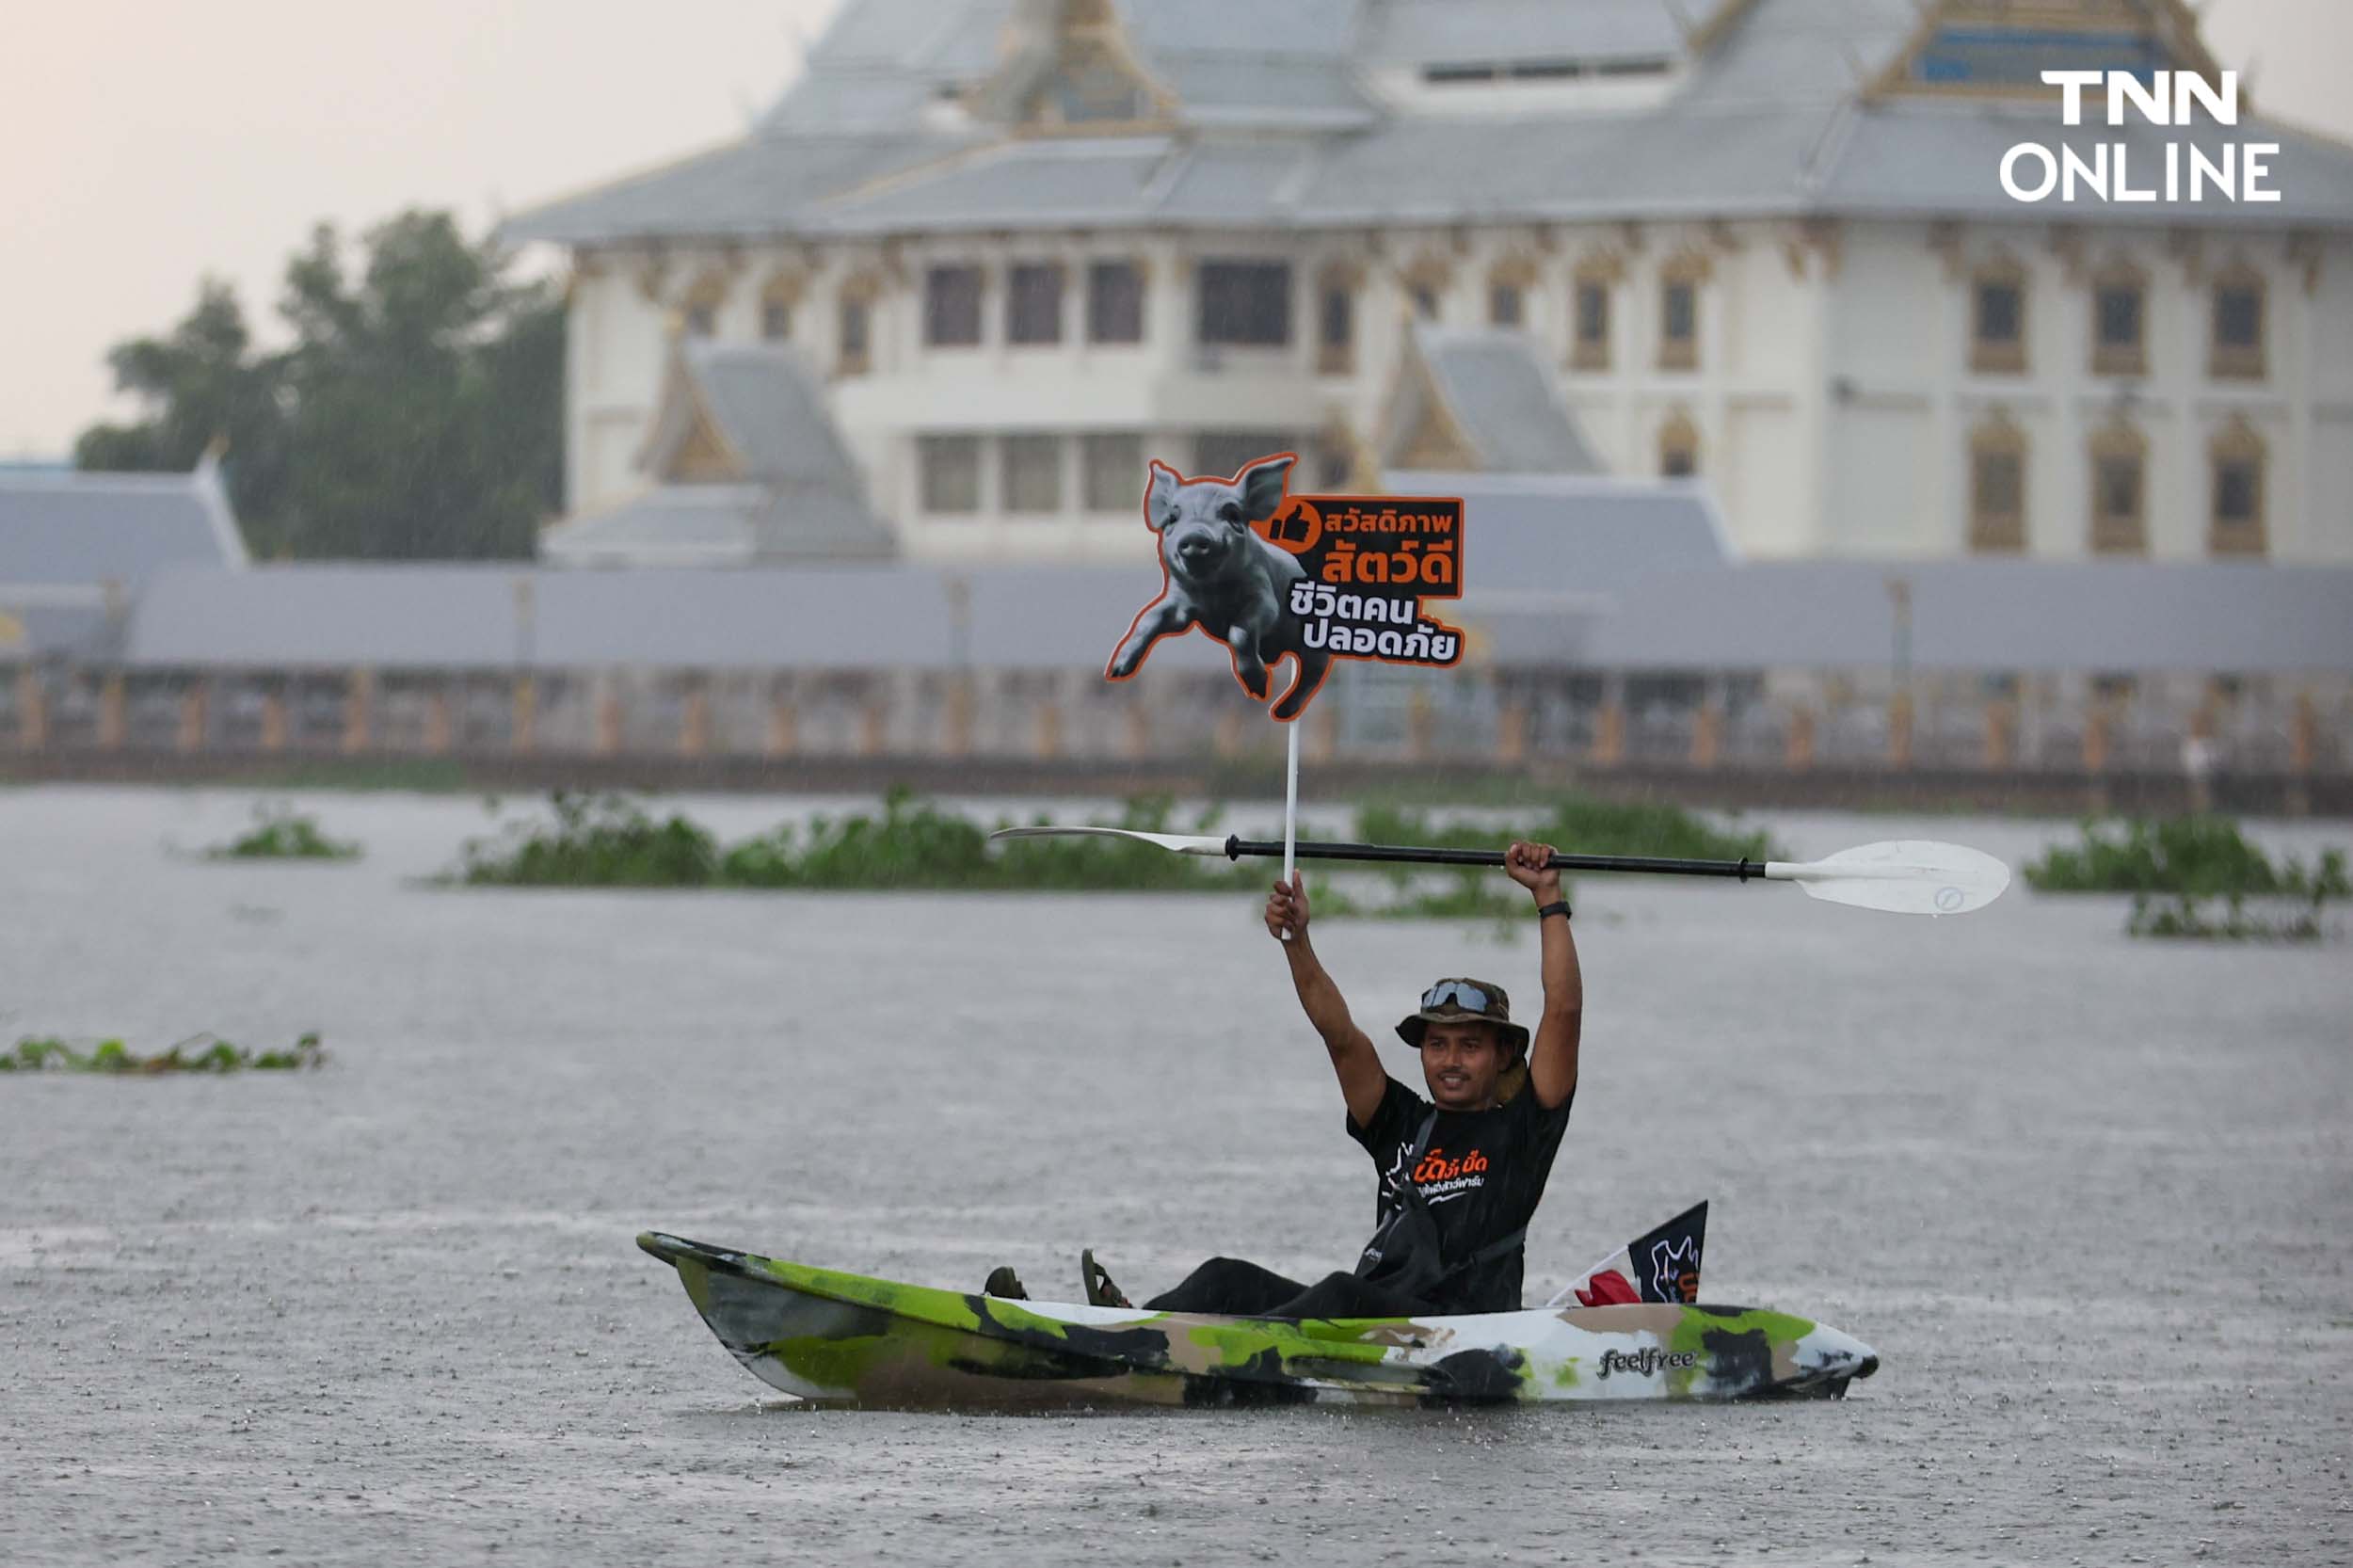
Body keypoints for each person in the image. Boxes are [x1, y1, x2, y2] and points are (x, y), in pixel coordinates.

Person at [985, 840, 1582, 1320]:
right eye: (1437, 1044)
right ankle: (1117, 1331)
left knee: (1338, 1294)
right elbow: (1340, 1035)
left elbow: (1563, 1012)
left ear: (1504, 1055)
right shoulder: (1404, 1123)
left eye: (1470, 1046)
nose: (1450, 1060)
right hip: (1368, 1318)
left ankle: (1191, 1351)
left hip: (1458, 1332)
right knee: (1226, 1277)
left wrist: (1548, 899)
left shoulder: (1524, 1130)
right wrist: (1296, 940)